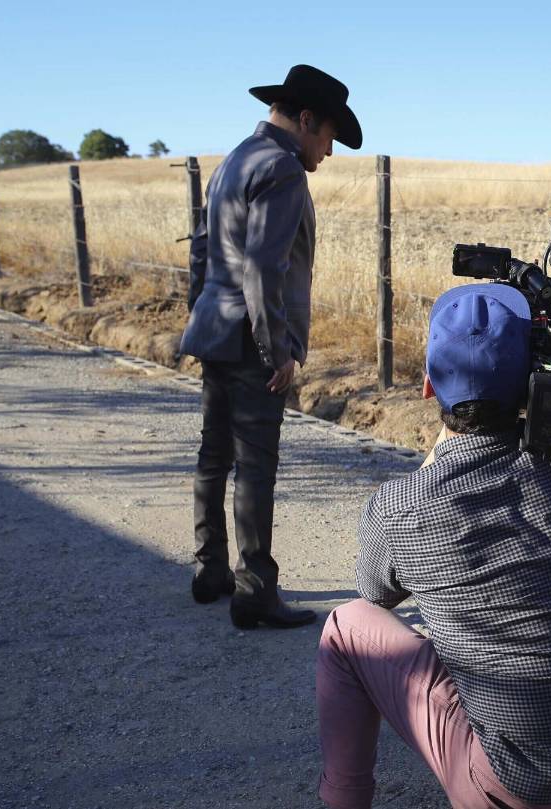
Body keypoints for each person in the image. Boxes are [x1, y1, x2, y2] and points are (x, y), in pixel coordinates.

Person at [314, 283, 551, 809]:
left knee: (345, 625)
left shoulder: (401, 506)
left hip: (511, 792)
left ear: (428, 386)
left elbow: (375, 593)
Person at [181, 64, 362, 629]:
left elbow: (202, 251)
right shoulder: (283, 168)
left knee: (214, 455)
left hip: (216, 330)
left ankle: (210, 570)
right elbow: (262, 266)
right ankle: (255, 590)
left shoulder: (235, 158)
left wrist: (201, 313)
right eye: (329, 136)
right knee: (255, 465)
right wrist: (275, 348)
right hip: (251, 338)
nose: (329, 151)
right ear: (306, 119)